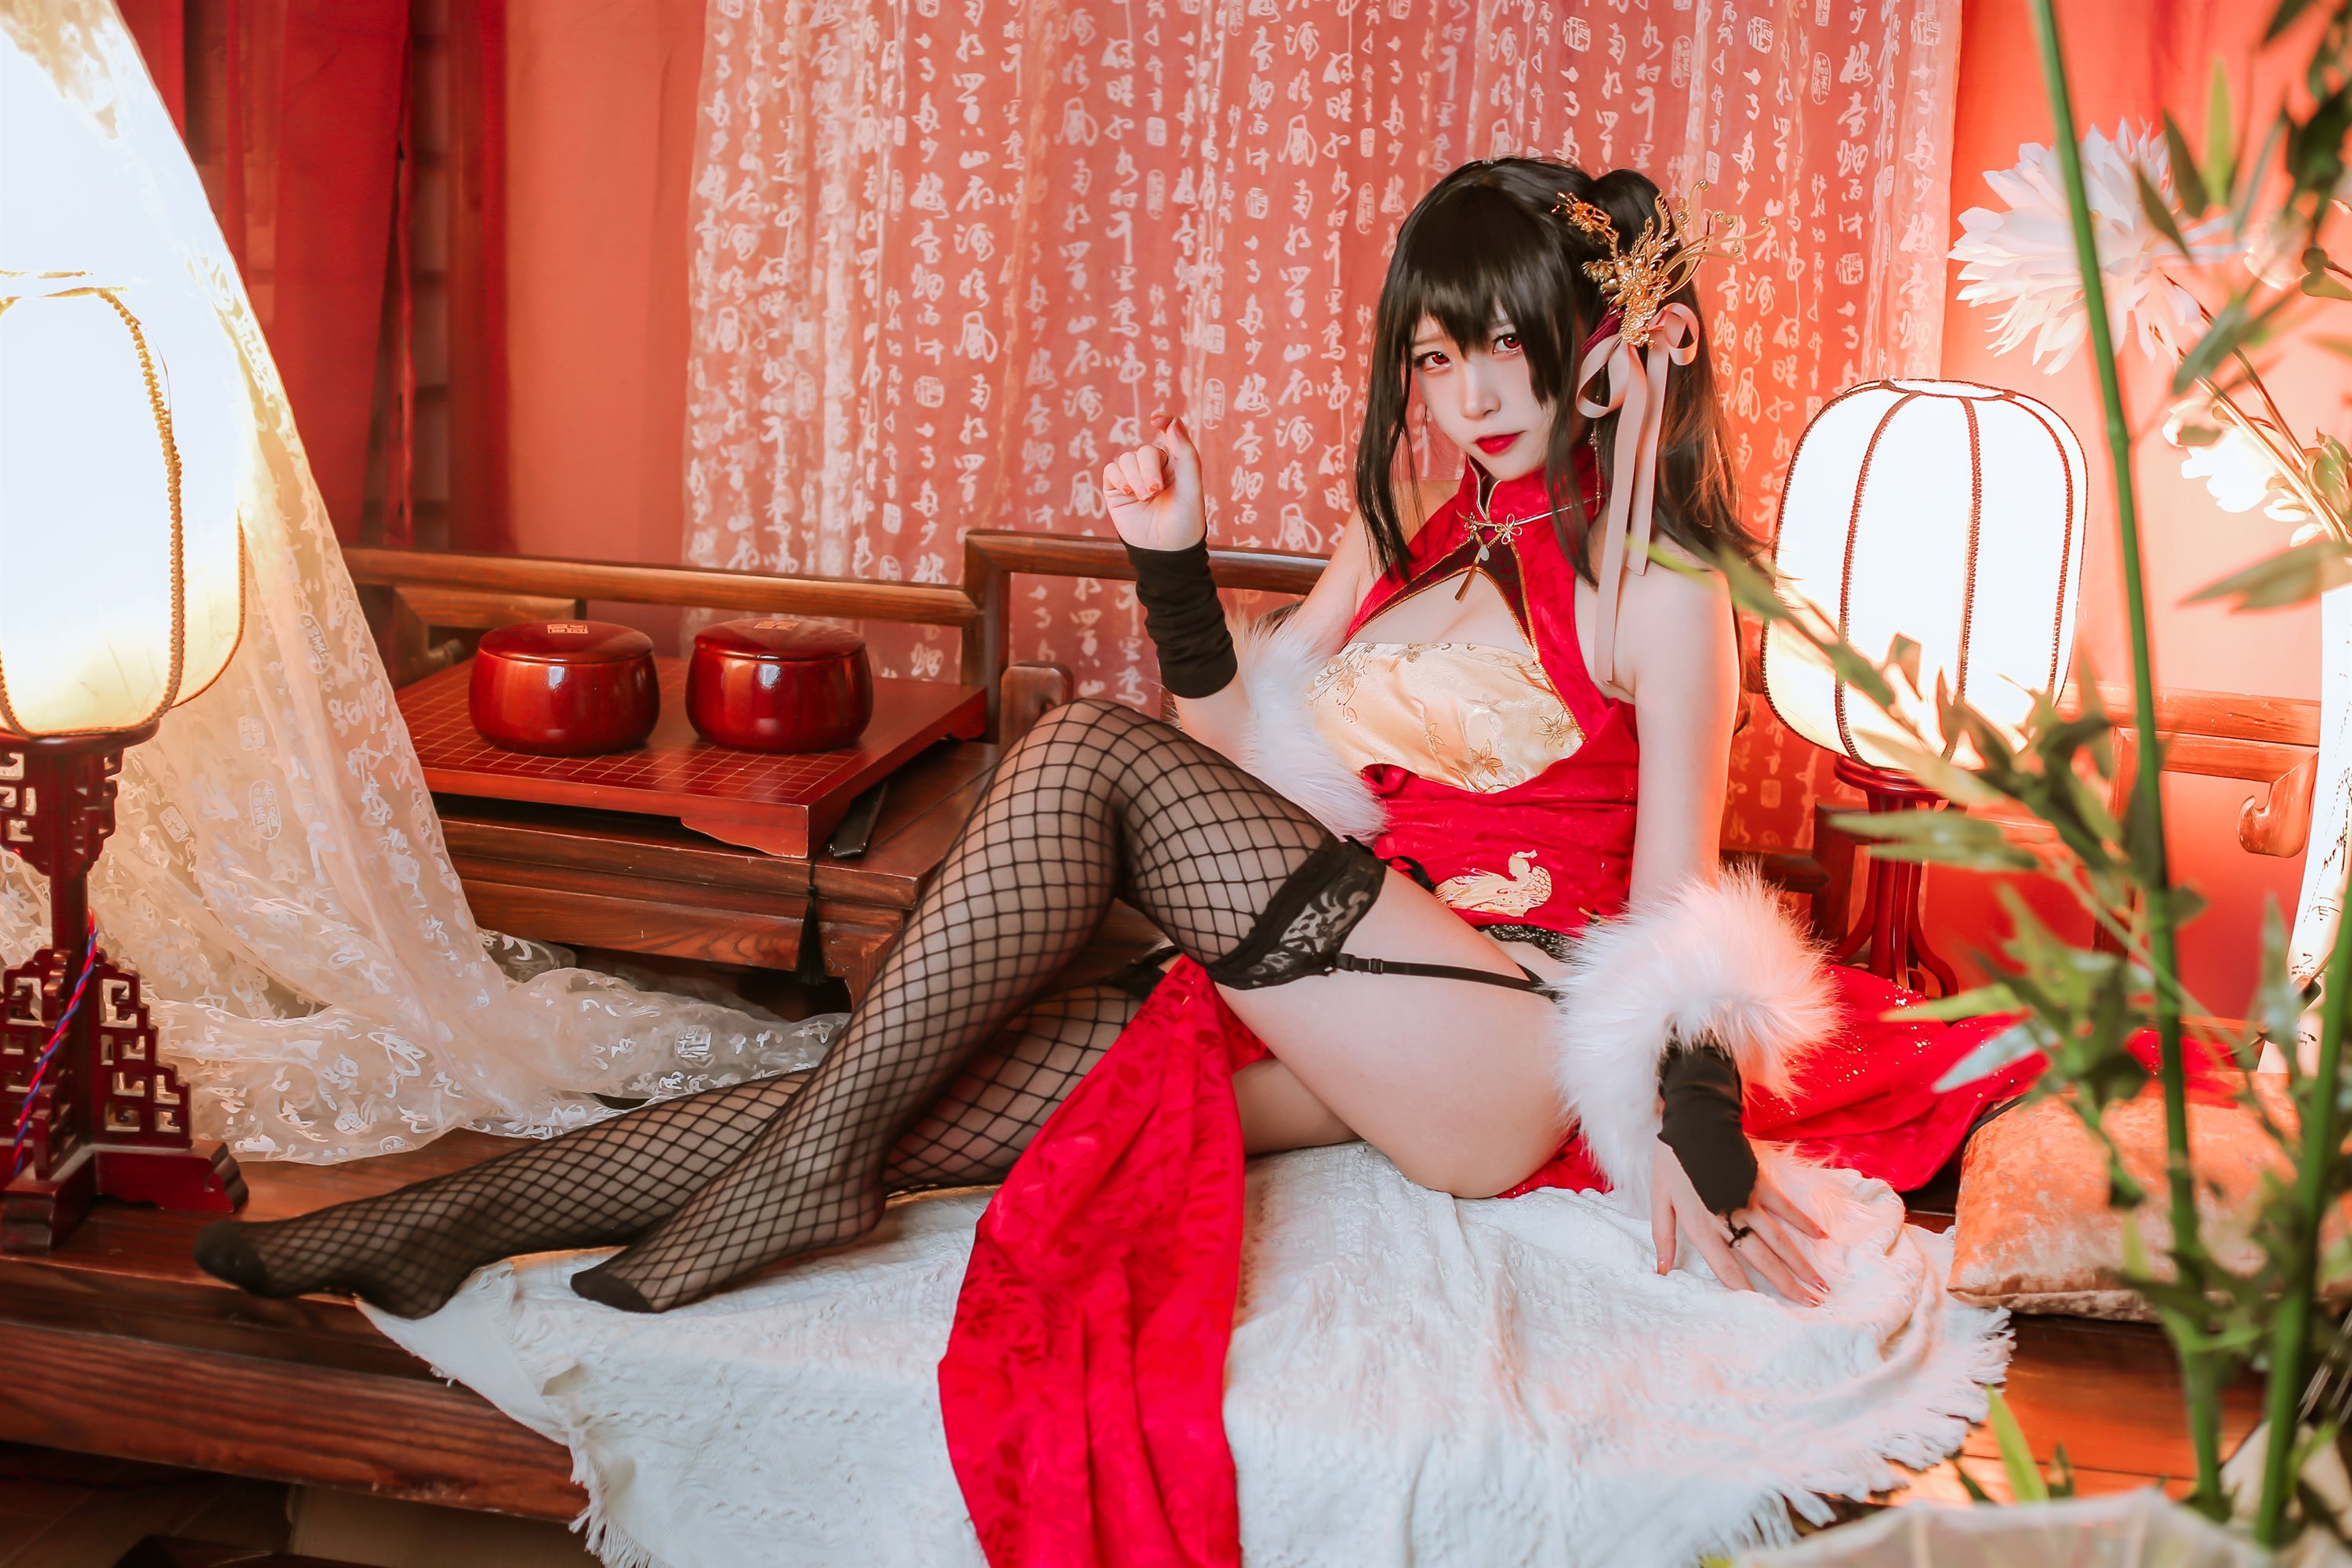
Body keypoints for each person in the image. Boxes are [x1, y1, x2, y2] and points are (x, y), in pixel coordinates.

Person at [191, 159, 2035, 1563]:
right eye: (1435, 352)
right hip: (1358, 999)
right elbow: (1239, 762)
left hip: (1505, 1042)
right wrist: (1173, 557)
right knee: (934, 1089)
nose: (1474, 390)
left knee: (1079, 752)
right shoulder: (1406, 529)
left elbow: (1683, 908)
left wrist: (1702, 1136)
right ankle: (445, 1222)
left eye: (1506, 345)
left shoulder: (1665, 580)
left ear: (1593, 342)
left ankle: (807, 1169)